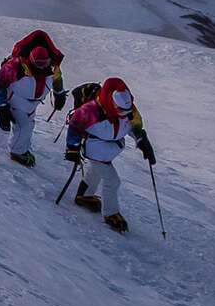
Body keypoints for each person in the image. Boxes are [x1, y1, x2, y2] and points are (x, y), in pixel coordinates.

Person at [63, 76, 156, 234]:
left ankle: (84, 195)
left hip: (108, 150)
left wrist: (142, 141)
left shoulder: (126, 110)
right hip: (95, 149)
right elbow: (75, 125)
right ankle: (111, 213)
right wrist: (72, 148)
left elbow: (132, 126)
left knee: (95, 173)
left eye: (128, 110)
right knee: (112, 181)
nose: (125, 113)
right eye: (121, 110)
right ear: (112, 103)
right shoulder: (92, 110)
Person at [0, 36, 65, 166]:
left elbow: (57, 79)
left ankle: (22, 148)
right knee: (23, 126)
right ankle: (17, 152)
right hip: (17, 101)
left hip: (32, 104)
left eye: (44, 63)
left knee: (28, 125)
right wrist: (2, 107)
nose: (42, 67)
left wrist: (59, 94)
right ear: (31, 60)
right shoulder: (15, 65)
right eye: (39, 64)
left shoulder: (52, 67)